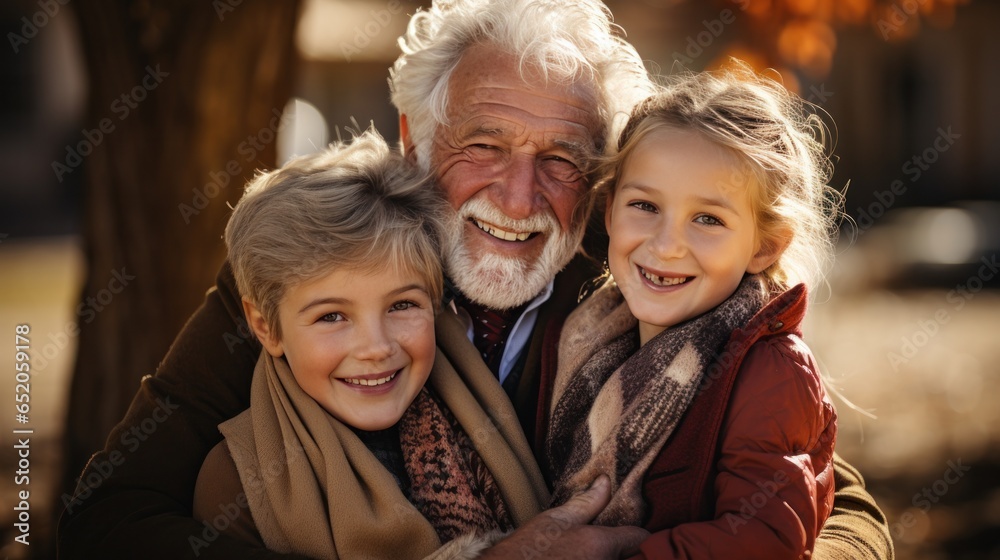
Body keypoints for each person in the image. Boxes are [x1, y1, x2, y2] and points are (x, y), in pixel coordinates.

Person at [58, 1, 893, 558]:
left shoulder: (646, 286)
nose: (518, 196)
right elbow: (109, 514)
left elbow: (842, 514)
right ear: (415, 137)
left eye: (561, 159)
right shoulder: (312, 264)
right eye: (483, 145)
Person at [190, 130, 548, 558]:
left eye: (401, 305)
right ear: (267, 328)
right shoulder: (236, 483)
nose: (376, 347)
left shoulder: (496, 425)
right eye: (332, 316)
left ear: (435, 304)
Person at [544, 66, 839, 558]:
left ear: (764, 246)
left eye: (707, 219)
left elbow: (765, 541)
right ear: (610, 208)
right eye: (645, 206)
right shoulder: (586, 337)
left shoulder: (770, 371)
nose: (666, 245)